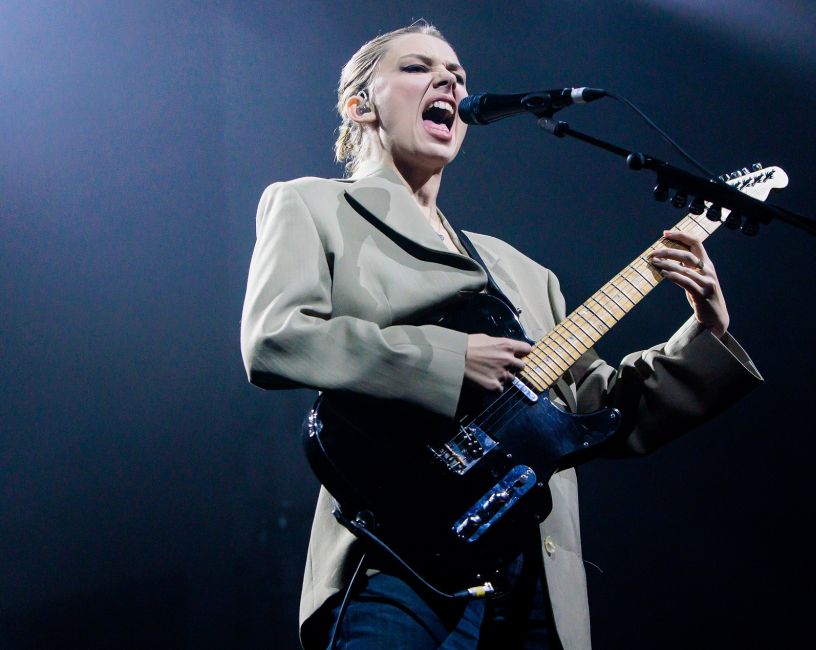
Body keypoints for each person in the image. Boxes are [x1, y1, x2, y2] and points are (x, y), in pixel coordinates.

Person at [240, 22, 762, 650]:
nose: (450, 81)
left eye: (458, 74)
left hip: (534, 576)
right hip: (399, 554)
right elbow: (276, 335)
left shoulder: (523, 272)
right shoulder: (312, 205)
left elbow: (597, 410)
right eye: (417, 67)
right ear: (360, 105)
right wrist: (452, 358)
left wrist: (707, 328)